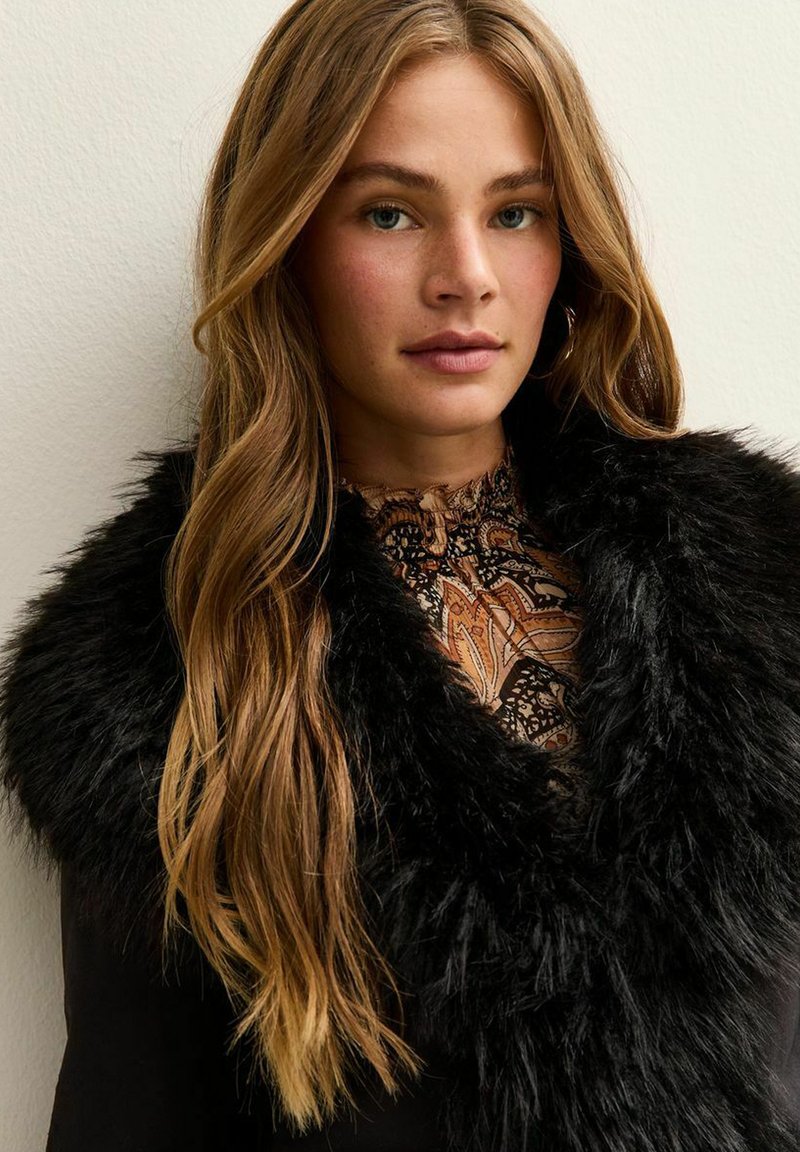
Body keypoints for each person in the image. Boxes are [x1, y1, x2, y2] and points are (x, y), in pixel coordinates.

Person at [1, 0, 800, 1148]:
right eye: (389, 212)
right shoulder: (156, 673)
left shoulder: (757, 575)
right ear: (285, 237)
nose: (465, 276)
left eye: (514, 211)